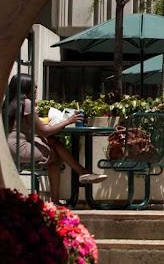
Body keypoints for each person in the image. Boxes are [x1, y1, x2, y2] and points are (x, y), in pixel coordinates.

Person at [6, 74, 107, 204]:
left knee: (54, 141)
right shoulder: (27, 103)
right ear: (26, 88)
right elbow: (43, 131)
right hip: (19, 147)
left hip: (6, 147)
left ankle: (82, 172)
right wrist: (69, 120)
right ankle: (56, 200)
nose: (36, 89)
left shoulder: (8, 103)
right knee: (54, 157)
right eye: (34, 86)